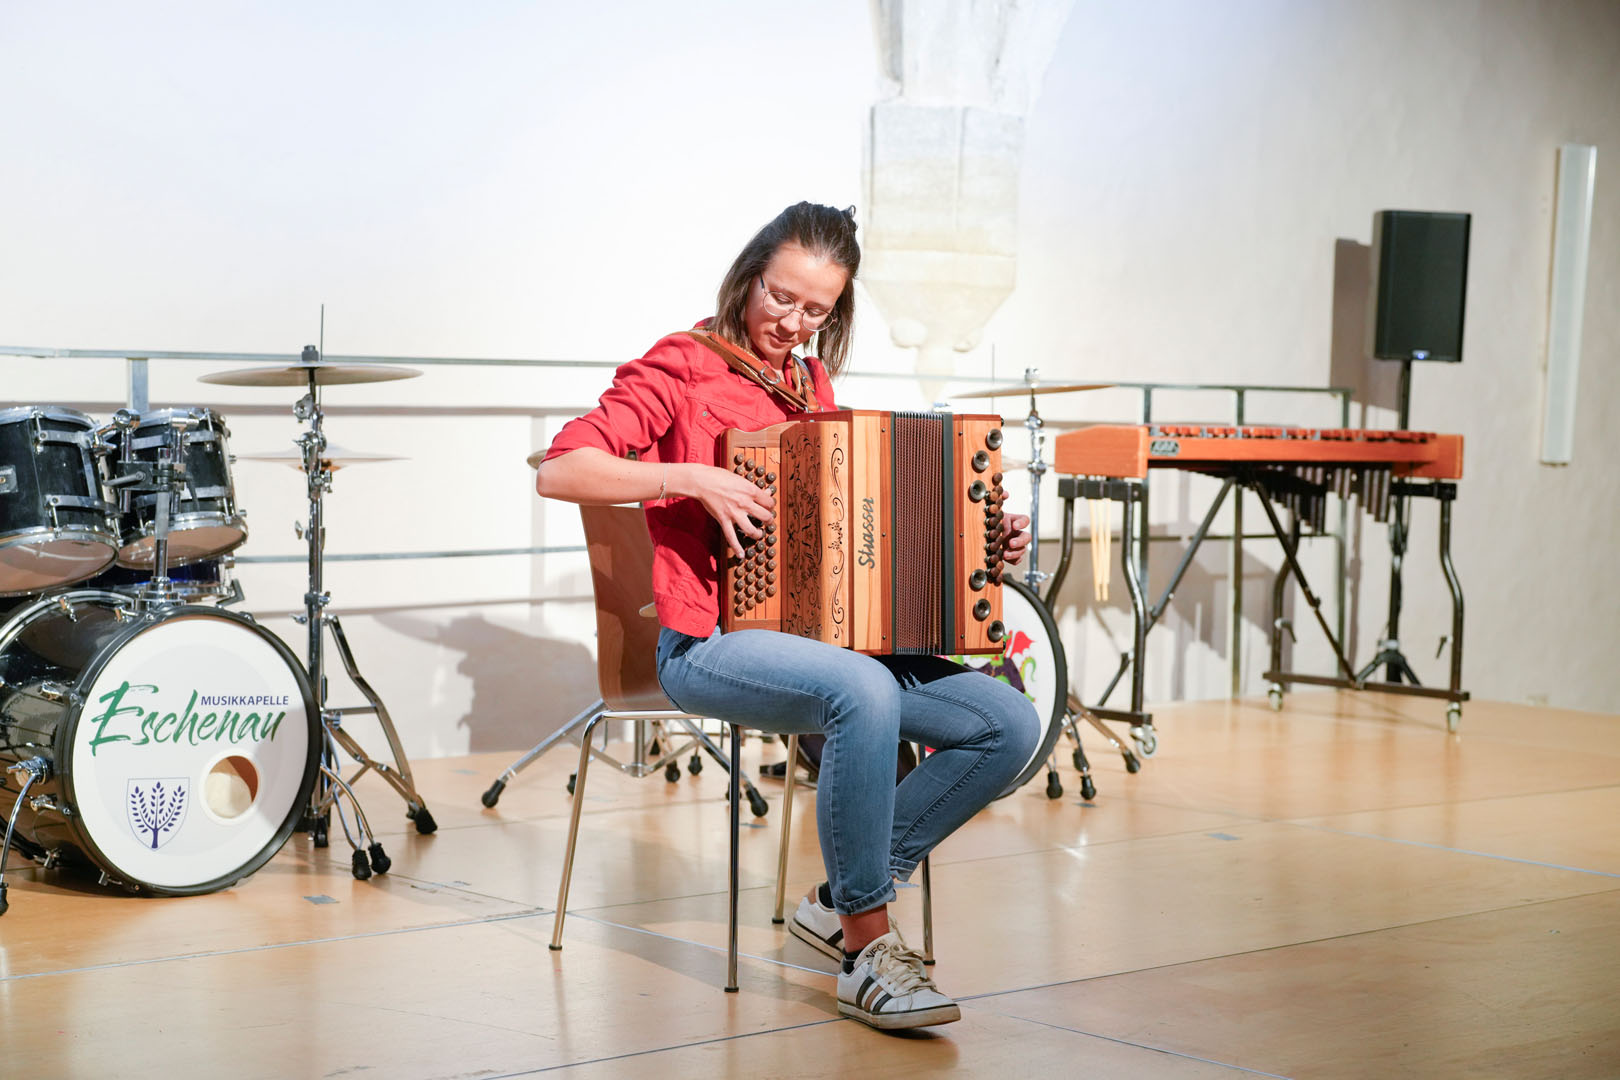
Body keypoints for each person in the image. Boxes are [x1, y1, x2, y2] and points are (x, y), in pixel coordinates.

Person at [535, 201, 1040, 1031]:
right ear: (748, 275)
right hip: (709, 644)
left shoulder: (811, 385)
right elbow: (561, 469)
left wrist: (980, 537)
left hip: (820, 643)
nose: (794, 323)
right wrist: (687, 477)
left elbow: (855, 530)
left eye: (817, 310)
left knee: (1007, 722)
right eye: (781, 297)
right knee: (860, 692)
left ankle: (839, 897)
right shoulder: (682, 364)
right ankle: (866, 951)